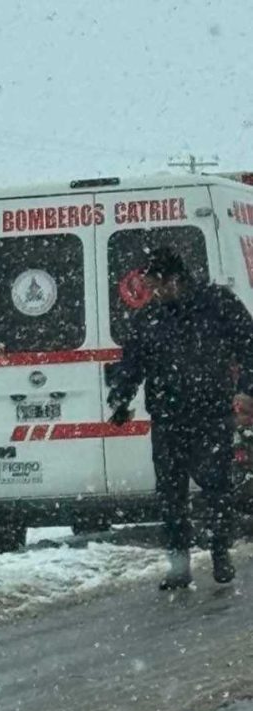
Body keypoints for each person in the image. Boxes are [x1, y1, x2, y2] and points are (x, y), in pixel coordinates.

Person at [108, 246, 253, 590]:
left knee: (217, 488)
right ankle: (178, 566)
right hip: (168, 418)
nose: (152, 293)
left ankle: (220, 553)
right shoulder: (149, 318)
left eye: (156, 285)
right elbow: (133, 365)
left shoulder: (217, 305)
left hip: (212, 413)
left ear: (174, 280)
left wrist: (247, 388)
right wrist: (120, 398)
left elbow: (249, 346)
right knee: (170, 495)